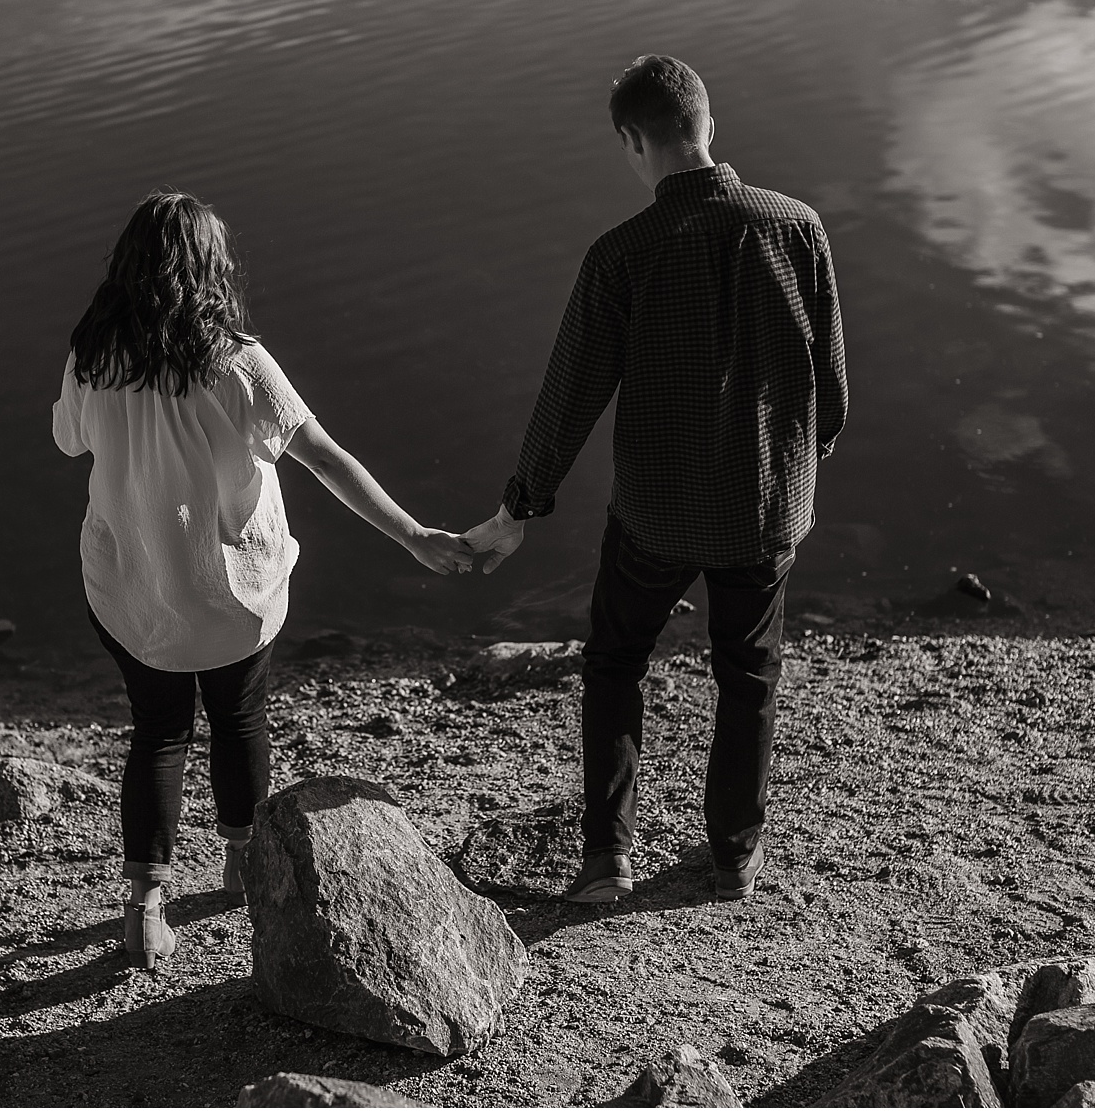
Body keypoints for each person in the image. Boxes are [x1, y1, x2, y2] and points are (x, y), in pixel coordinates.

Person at [463, 55, 848, 904]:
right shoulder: (798, 228)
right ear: (708, 125)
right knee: (750, 673)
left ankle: (608, 857)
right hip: (762, 508)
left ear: (637, 142)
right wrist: (800, 471)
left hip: (658, 516)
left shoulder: (622, 256)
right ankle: (736, 855)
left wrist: (519, 503)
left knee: (616, 661)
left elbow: (570, 396)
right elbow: (831, 386)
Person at [53, 190, 471, 968]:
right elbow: (327, 459)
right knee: (239, 718)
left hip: (133, 591)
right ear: (212, 272)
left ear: (125, 271)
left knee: (158, 732)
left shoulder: (93, 356)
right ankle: (243, 864)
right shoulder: (239, 362)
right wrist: (414, 535)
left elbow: (68, 439)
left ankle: (145, 906)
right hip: (232, 596)